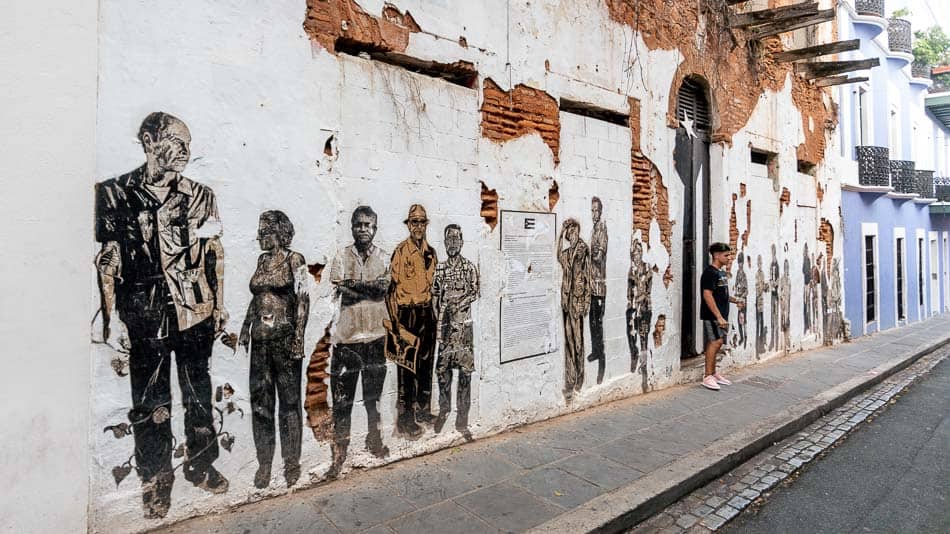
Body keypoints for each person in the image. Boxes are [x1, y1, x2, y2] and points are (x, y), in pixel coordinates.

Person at [94, 112, 228, 519]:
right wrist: (111, 319)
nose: (186, 152)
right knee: (149, 402)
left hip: (195, 311)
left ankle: (201, 465)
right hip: (143, 313)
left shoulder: (201, 195)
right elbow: (108, 260)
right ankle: (155, 484)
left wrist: (219, 304)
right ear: (150, 141)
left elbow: (213, 253)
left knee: (198, 395)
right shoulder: (114, 193)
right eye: (176, 141)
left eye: (189, 144)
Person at [240, 211, 309, 489]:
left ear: (279, 232)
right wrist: (245, 327)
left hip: (284, 339)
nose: (259, 236)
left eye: (264, 230)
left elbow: (303, 299)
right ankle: (264, 463)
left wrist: (299, 338)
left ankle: (291, 462)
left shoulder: (296, 260)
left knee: (289, 403)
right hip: (261, 341)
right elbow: (257, 299)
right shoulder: (261, 260)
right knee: (261, 403)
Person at [325, 206, 391, 478]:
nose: (363, 229)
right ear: (351, 227)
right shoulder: (341, 256)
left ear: (375, 228)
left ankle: (374, 439)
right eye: (358, 224)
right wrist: (369, 287)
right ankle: (340, 452)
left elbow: (384, 288)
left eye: (368, 224)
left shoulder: (385, 257)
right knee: (343, 400)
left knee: (373, 397)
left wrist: (356, 285)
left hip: (376, 337)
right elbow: (340, 288)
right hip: (347, 340)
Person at [387, 204, 438, 437]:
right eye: (414, 222)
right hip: (407, 313)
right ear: (408, 225)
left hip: (427, 312)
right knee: (407, 366)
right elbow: (390, 291)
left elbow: (432, 286)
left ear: (426, 225)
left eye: (421, 222)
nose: (418, 226)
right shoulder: (401, 251)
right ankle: (406, 419)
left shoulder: (431, 253)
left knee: (426, 365)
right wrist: (396, 323)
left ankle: (424, 410)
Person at [432, 224, 479, 437]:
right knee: (442, 370)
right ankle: (444, 408)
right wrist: (439, 316)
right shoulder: (440, 269)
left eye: (455, 239)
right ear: (444, 243)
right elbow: (434, 295)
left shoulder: (469, 267)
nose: (452, 243)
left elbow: (475, 291)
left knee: (465, 372)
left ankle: (463, 417)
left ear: (461, 241)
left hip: (463, 326)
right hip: (445, 325)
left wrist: (460, 303)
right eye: (448, 240)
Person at [700, 242, 741, 391]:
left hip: (722, 314)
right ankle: (707, 376)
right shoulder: (710, 272)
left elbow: (721, 294)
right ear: (716, 255)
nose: (729, 258)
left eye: (729, 255)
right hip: (712, 315)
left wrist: (735, 300)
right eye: (726, 255)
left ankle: (714, 373)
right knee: (715, 342)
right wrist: (718, 316)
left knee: (719, 342)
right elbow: (707, 294)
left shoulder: (721, 273)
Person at [558, 218, 591, 401]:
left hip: (578, 300)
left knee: (578, 341)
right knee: (569, 341)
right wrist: (560, 232)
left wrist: (586, 301)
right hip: (566, 300)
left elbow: (588, 274)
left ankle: (580, 378)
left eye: (574, 232)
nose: (572, 236)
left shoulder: (582, 249)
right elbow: (557, 255)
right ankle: (570, 380)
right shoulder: (567, 252)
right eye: (569, 234)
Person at [587, 197, 608, 384]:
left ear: (600, 212)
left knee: (598, 323)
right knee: (592, 321)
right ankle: (595, 351)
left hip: (599, 285)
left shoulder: (602, 229)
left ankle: (602, 359)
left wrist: (588, 254)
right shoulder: (594, 229)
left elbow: (599, 256)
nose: (593, 214)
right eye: (591, 210)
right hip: (592, 285)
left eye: (596, 211)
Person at [626, 239, 652, 373]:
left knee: (643, 334)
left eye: (638, 252)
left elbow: (648, 290)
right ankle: (634, 355)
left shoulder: (646, 268)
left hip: (644, 307)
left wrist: (640, 299)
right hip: (633, 308)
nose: (636, 255)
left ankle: (644, 360)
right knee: (631, 333)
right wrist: (630, 302)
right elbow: (629, 289)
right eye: (634, 253)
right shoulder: (632, 270)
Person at [733, 251, 748, 350]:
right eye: (739, 263)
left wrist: (741, 297)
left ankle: (744, 336)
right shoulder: (738, 273)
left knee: (743, 319)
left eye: (741, 262)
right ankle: (742, 337)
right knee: (740, 320)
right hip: (738, 299)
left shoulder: (744, 274)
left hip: (742, 299)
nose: (740, 264)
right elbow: (736, 284)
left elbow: (746, 290)